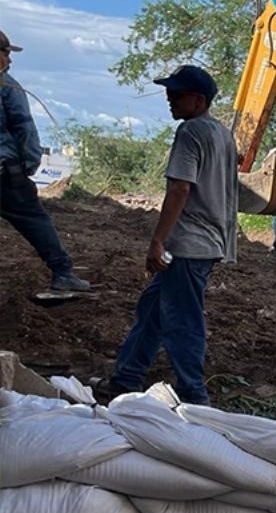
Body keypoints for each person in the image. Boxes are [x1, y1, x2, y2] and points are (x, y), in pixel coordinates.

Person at [97, 65, 237, 405]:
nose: (169, 100)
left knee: (181, 321)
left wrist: (157, 241)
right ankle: (127, 377)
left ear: (198, 100)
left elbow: (179, 189)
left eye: (176, 95)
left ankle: (193, 395)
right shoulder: (222, 133)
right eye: (168, 94)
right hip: (208, 242)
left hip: (188, 245)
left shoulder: (190, 131)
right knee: (152, 309)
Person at [0, 30, 91, 292]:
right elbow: (24, 128)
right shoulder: (8, 87)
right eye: (6, 53)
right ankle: (63, 272)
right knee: (34, 219)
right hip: (5, 174)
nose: (10, 59)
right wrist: (29, 164)